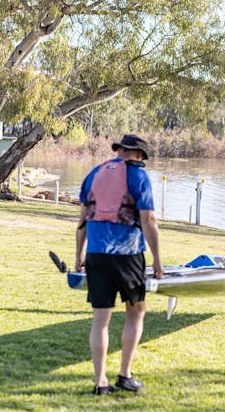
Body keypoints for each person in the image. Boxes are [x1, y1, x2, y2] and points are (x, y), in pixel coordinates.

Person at [75, 134, 164, 396]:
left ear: (119, 151)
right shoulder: (139, 177)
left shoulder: (94, 174)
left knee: (100, 319)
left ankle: (100, 381)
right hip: (128, 256)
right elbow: (148, 221)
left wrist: (79, 255)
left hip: (96, 255)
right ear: (137, 154)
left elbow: (82, 220)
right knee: (135, 312)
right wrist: (158, 261)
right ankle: (125, 374)